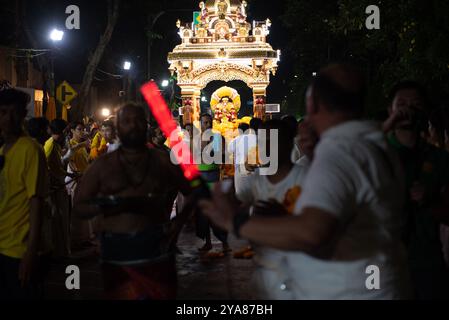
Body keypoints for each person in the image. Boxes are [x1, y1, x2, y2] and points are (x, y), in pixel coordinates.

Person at [200, 64, 411, 299]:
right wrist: (288, 217)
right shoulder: (371, 142)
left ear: (312, 105)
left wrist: (236, 222)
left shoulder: (340, 153)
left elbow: (312, 232)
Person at [73, 103, 190, 300]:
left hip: (156, 248)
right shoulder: (103, 165)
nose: (133, 125)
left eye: (138, 120)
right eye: (126, 121)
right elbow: (79, 206)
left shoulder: (162, 160)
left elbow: (193, 192)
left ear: (146, 125)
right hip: (117, 250)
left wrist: (177, 225)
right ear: (118, 127)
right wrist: (111, 204)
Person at [383, 81, 449, 299]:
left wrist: (430, 200)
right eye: (401, 104)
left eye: (415, 104)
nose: (407, 110)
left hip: (426, 262)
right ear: (390, 110)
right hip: (380, 261)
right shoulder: (375, 153)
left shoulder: (439, 159)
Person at [235, 119, 311, 298]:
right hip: (265, 278)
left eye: (273, 139)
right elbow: (233, 209)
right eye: (262, 140)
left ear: (288, 142)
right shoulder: (255, 183)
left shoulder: (307, 177)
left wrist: (285, 218)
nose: (266, 145)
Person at [0, 88, 47, 299]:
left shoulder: (30, 149)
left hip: (19, 251)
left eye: (14, 112)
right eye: (3, 112)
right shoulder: (2, 152)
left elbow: (36, 203)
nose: (8, 118)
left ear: (22, 115)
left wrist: (30, 253)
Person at [195, 113, 230, 253]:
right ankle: (207, 242)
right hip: (200, 177)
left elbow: (222, 156)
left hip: (214, 177)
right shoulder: (196, 140)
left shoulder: (217, 138)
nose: (207, 125)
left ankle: (225, 243)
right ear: (200, 124)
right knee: (203, 213)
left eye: (209, 122)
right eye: (204, 123)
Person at [44, 119, 71, 258]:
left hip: (59, 184)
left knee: (62, 219)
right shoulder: (49, 145)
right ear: (61, 131)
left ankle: (62, 251)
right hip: (55, 187)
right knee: (58, 219)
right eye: (66, 130)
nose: (67, 133)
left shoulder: (54, 144)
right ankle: (59, 252)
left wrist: (68, 173)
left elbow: (57, 167)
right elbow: (46, 166)